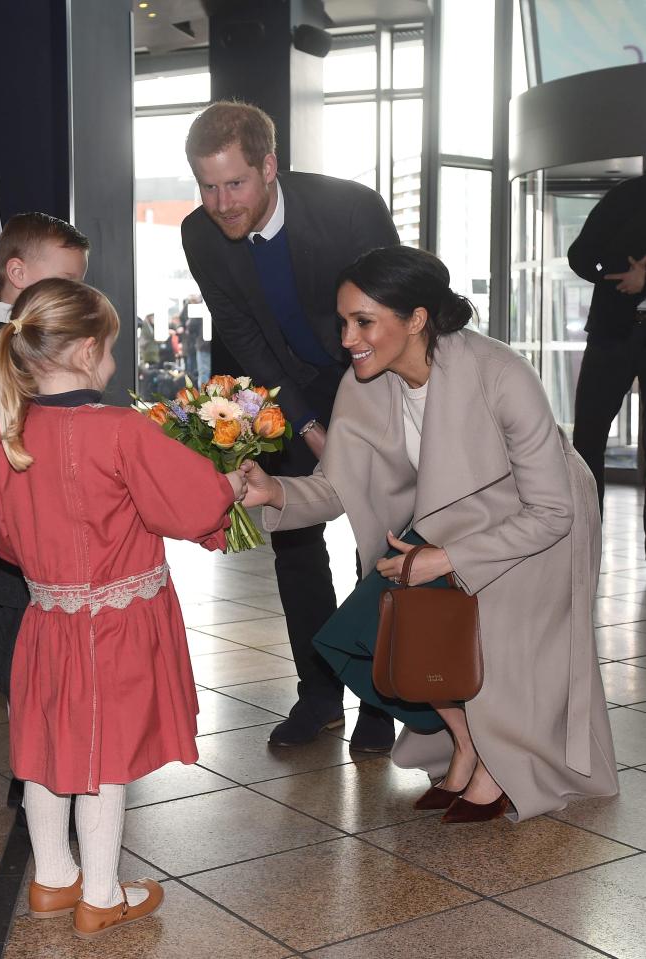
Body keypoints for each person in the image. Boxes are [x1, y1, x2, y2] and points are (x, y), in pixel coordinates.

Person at [243, 245, 618, 823]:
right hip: (457, 525)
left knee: (486, 630)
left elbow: (551, 511)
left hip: (543, 523)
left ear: (416, 318)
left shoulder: (500, 372)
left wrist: (448, 558)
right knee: (368, 625)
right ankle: (469, 745)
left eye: (363, 321)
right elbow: (337, 485)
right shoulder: (364, 382)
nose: (347, 338)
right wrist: (274, 492)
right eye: (344, 322)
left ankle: (499, 761)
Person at [0, 278, 247, 937]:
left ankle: (52, 876)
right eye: (113, 348)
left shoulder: (3, 435)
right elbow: (185, 504)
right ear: (90, 349)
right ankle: (101, 894)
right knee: (103, 757)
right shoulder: (121, 430)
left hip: (47, 620)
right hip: (116, 626)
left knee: (47, 748)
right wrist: (230, 483)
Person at [182, 100, 400, 750]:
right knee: (294, 541)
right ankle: (319, 692)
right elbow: (246, 337)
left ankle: (378, 697)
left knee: (377, 543)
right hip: (290, 387)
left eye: (235, 183)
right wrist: (307, 426)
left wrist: (359, 425)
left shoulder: (349, 211)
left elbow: (393, 318)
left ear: (269, 166)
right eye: (207, 185)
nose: (220, 202)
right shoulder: (200, 235)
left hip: (372, 376)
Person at [0, 213, 90, 706]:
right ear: (17, 274)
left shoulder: (8, 345)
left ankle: (35, 771)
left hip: (20, 541)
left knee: (35, 668)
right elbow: (20, 454)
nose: (76, 294)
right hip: (20, 541)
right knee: (27, 670)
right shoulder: (5, 351)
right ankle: (32, 776)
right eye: (67, 281)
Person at [567, 174, 646, 542]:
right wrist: (614, 277)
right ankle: (586, 537)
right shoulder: (628, 194)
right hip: (612, 331)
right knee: (588, 439)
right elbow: (580, 254)